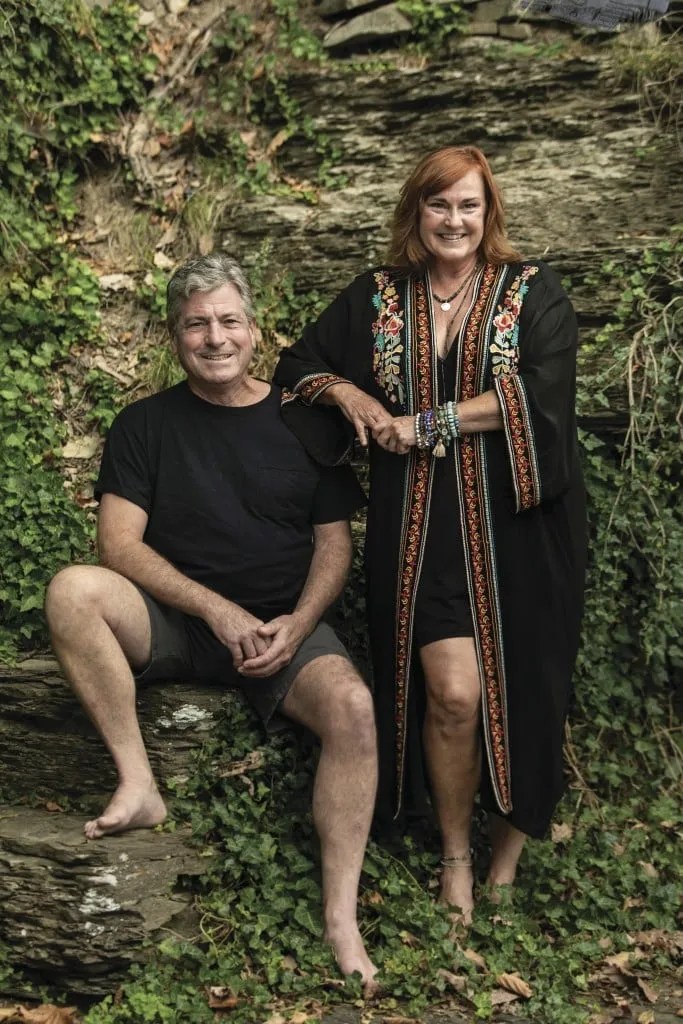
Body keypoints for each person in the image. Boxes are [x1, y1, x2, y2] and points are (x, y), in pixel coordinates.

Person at [45, 254, 379, 988]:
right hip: (173, 622)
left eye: (229, 320)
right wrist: (215, 610)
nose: (215, 337)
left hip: (281, 628)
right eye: (196, 324)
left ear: (255, 330)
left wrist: (298, 623)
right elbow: (117, 546)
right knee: (73, 590)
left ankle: (341, 919)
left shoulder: (304, 422)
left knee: (354, 709)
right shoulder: (144, 424)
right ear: (175, 337)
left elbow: (334, 544)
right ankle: (139, 784)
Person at [274, 145, 587, 925]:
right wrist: (349, 394)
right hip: (420, 533)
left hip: (523, 526)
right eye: (438, 203)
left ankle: (505, 863)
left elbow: (542, 394)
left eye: (468, 205)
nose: (453, 219)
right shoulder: (378, 295)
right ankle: (454, 856)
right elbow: (299, 365)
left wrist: (430, 422)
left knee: (528, 687)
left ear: (489, 213)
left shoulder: (532, 291)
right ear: (415, 210)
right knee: (451, 695)